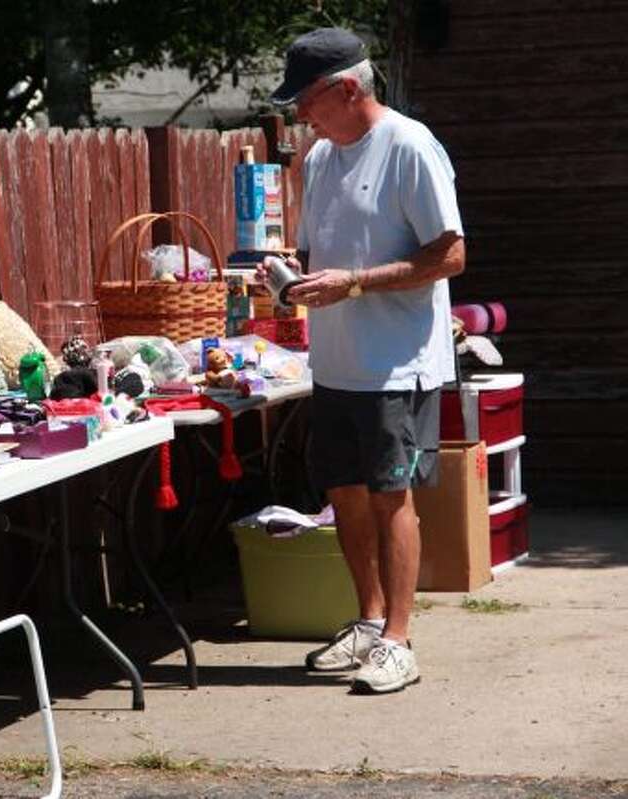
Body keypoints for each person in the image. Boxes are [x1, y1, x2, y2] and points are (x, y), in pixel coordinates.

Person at [260, 27, 465, 693]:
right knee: (344, 496)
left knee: (389, 496)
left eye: (306, 102)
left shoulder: (410, 145)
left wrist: (353, 282)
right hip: (336, 362)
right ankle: (370, 624)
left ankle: (400, 640)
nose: (300, 116)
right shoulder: (318, 160)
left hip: (396, 363)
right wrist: (287, 274)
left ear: (348, 89)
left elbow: (451, 255)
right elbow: (319, 257)